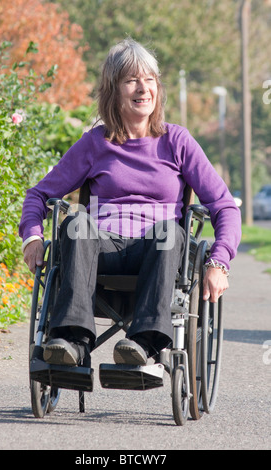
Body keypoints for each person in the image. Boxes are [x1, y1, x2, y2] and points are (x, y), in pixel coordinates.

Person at [19, 38, 241, 367]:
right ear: (113, 90)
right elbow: (38, 193)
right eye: (131, 80)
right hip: (101, 248)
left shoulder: (177, 141)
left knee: (169, 232)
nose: (143, 88)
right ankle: (71, 341)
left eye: (149, 79)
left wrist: (219, 262)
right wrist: (33, 237)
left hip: (157, 251)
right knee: (76, 224)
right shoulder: (95, 143)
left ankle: (144, 343)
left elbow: (224, 207)